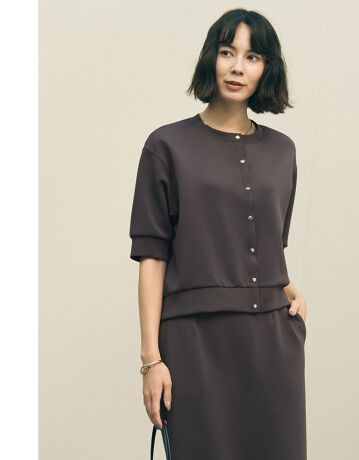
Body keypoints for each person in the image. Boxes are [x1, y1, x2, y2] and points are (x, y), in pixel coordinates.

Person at [129, 8, 308, 459]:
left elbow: (268, 243)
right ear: (212, 57)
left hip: (272, 344)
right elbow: (153, 256)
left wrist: (287, 289)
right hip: (195, 346)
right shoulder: (166, 146)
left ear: (267, 68)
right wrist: (151, 360)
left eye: (252, 57)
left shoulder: (283, 151)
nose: (237, 67)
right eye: (228, 52)